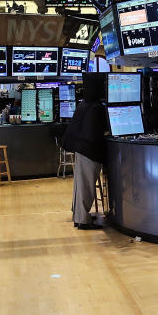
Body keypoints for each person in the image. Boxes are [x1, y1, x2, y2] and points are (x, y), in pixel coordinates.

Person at [63, 75, 107, 229]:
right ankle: (83, 220)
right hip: (90, 151)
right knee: (86, 187)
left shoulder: (84, 104)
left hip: (81, 149)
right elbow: (94, 133)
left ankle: (79, 216)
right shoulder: (96, 107)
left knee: (80, 186)